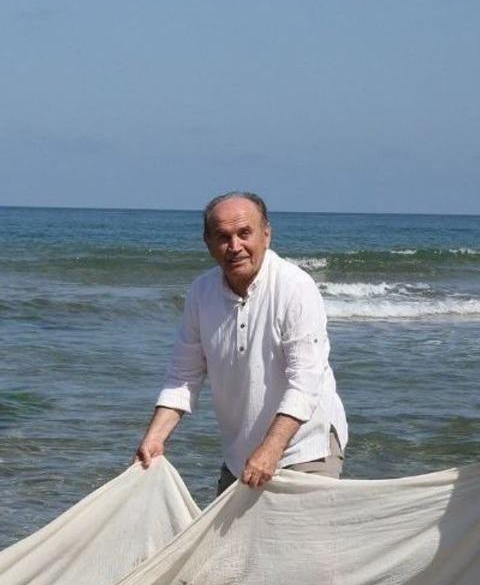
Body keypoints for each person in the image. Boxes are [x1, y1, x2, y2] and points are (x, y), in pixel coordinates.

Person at [135, 191, 348, 494]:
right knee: (224, 529)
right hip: (240, 457)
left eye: (244, 233)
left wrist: (271, 449)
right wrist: (154, 438)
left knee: (299, 529)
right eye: (223, 237)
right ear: (208, 243)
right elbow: (183, 377)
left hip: (306, 450)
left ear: (266, 234)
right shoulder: (201, 293)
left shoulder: (295, 287)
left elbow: (305, 382)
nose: (235, 247)